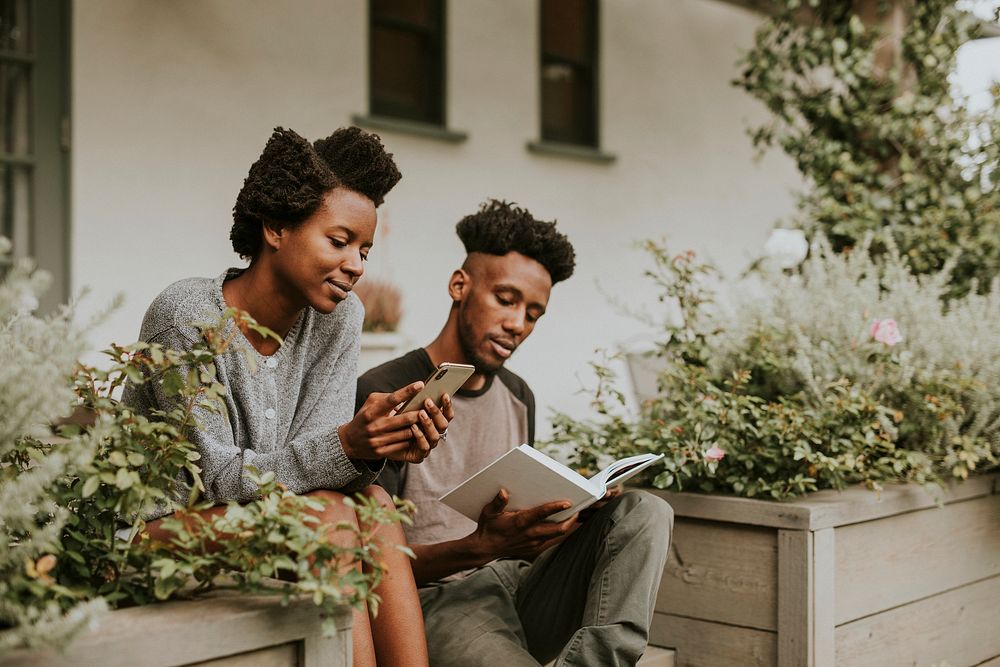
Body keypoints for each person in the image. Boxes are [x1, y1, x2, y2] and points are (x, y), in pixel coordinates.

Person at [124, 126, 447, 667]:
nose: (356, 265)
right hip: (160, 529)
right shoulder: (187, 316)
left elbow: (316, 471)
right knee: (326, 519)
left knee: (375, 501)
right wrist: (345, 444)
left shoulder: (340, 318)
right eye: (339, 241)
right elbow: (217, 480)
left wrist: (373, 447)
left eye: (365, 250)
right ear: (276, 228)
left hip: (265, 518)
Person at [357, 199, 674, 666]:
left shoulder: (518, 394)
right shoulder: (386, 392)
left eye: (533, 313)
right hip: (439, 599)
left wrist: (573, 509)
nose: (517, 324)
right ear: (460, 285)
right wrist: (478, 548)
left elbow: (515, 523)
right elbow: (373, 564)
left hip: (516, 580)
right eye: (505, 300)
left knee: (644, 511)